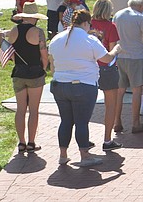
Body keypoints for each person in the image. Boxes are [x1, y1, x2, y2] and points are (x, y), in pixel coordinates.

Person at [49, 9, 120, 167]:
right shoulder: (89, 40)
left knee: (66, 121)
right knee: (81, 122)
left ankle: (63, 155)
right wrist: (116, 49)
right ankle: (85, 155)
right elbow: (107, 58)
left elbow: (52, 64)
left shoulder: (57, 39)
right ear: (86, 23)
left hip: (60, 84)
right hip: (83, 85)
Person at [5, 3, 49, 153]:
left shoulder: (13, 31)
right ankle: (31, 142)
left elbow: (10, 54)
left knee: (20, 109)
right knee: (34, 110)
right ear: (35, 18)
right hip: (35, 72)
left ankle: (21, 142)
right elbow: (44, 54)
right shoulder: (38, 32)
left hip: (18, 73)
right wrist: (44, 68)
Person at [112, 0, 143, 134]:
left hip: (119, 55)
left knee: (120, 91)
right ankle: (136, 123)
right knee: (137, 90)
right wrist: (142, 41)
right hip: (135, 57)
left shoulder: (117, 15)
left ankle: (117, 122)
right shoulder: (140, 17)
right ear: (141, 6)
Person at [89, 0, 122, 150]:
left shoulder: (87, 25)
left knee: (86, 105)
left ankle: (85, 138)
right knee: (110, 106)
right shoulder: (111, 27)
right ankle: (107, 140)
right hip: (106, 68)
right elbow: (112, 50)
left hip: (89, 67)